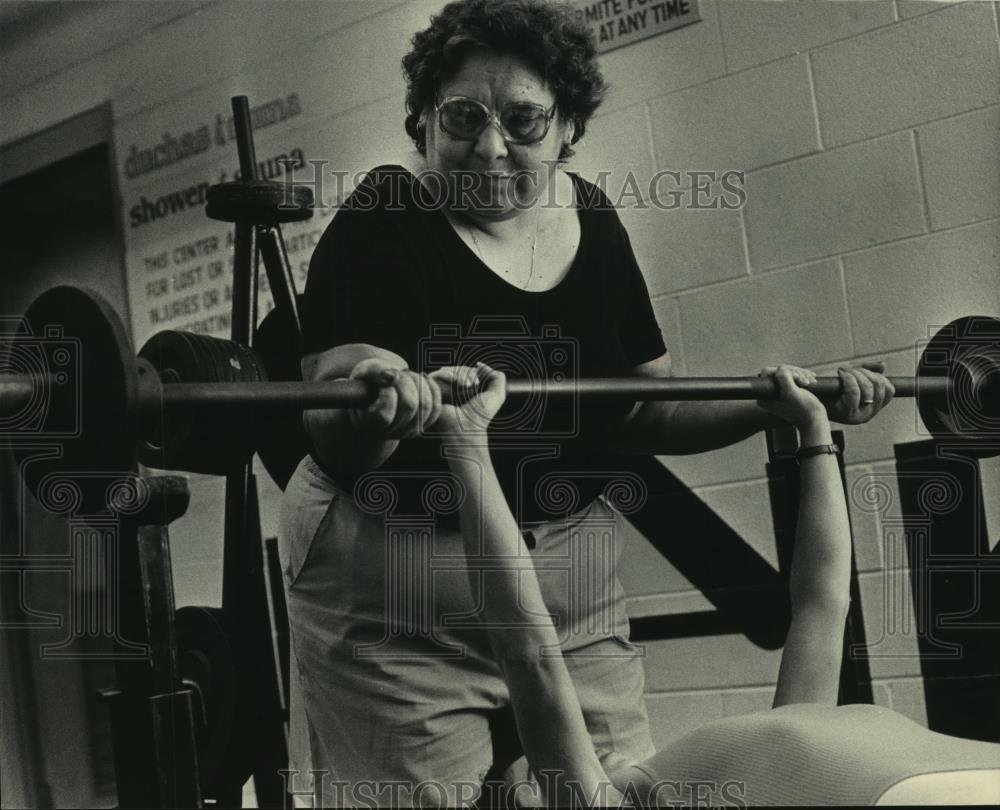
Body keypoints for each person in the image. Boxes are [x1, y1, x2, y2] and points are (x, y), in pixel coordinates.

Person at [279, 0, 897, 804]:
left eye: (526, 120)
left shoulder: (593, 222)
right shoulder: (386, 215)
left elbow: (640, 410)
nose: (491, 145)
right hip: (396, 587)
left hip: (570, 579)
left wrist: (776, 405)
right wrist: (377, 392)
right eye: (463, 116)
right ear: (422, 122)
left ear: (568, 127)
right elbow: (337, 411)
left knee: (620, 793)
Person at [432, 360, 1000, 807]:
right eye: (526, 781)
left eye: (521, 776)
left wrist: (812, 429)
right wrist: (466, 446)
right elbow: (530, 657)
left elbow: (822, 604)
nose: (531, 775)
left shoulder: (772, 764)